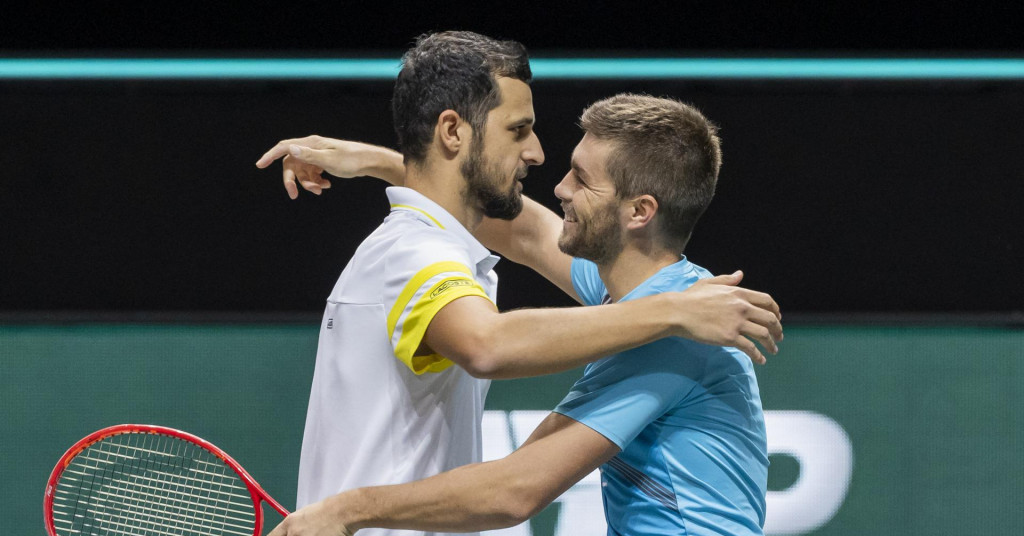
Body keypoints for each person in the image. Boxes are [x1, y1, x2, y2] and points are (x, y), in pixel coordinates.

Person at [257, 32, 780, 536]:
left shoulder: (669, 331)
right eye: (517, 131)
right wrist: (384, 162)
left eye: (582, 178)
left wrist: (347, 510)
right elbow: (524, 231)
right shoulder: (651, 303)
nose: (553, 181)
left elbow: (515, 488)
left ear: (639, 212)